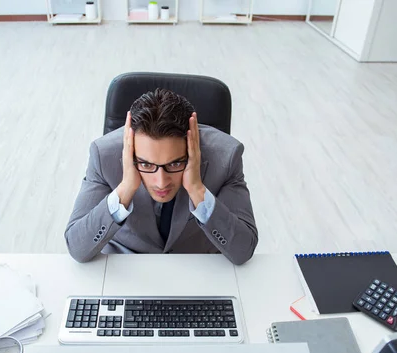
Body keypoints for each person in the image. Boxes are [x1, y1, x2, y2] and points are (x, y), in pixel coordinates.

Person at [65, 88, 257, 265]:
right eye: (146, 164)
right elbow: (77, 248)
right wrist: (125, 188)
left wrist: (198, 190)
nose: (161, 182)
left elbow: (242, 251)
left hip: (198, 268)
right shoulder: (103, 154)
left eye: (174, 163)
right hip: (126, 268)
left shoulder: (227, 156)